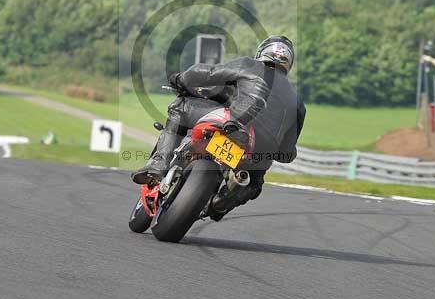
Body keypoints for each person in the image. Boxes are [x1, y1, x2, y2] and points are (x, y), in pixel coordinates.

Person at [131, 35, 306, 219]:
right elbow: (287, 153)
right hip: (256, 152)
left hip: (233, 125)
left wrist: (181, 79)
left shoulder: (250, 66)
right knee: (253, 184)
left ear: (262, 52)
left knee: (179, 107)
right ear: (289, 62)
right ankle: (221, 203)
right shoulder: (298, 103)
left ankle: (158, 164)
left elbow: (207, 73)